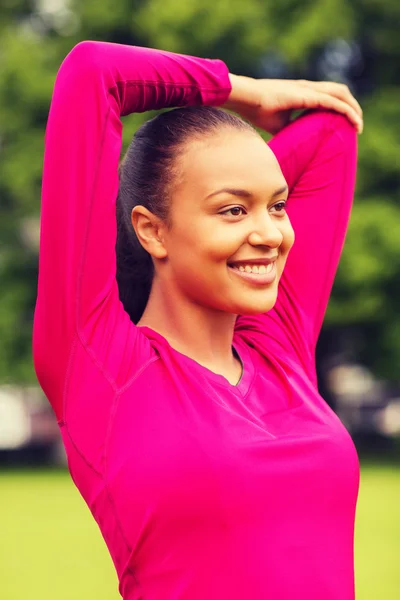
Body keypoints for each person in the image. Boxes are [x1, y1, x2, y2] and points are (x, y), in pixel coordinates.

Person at [33, 40, 363, 600]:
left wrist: (236, 147)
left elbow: (334, 132)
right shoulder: (101, 365)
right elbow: (94, 72)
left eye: (278, 205)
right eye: (232, 209)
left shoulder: (278, 348)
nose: (270, 233)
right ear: (152, 230)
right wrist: (244, 92)